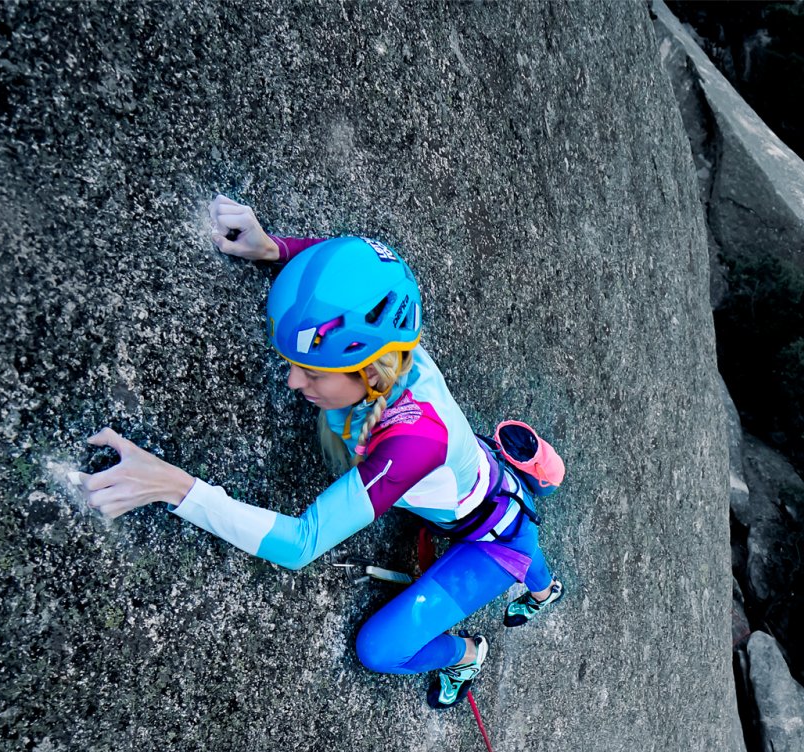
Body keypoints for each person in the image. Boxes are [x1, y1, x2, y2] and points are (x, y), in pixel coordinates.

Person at [79, 195, 564, 708]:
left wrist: (176, 488)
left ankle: (468, 652)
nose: (293, 381)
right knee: (522, 538)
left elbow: (301, 543)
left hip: (492, 541)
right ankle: (541, 589)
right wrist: (273, 250)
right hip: (484, 498)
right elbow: (360, 285)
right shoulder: (391, 345)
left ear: (369, 370)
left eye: (311, 371)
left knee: (380, 649)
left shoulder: (412, 442)